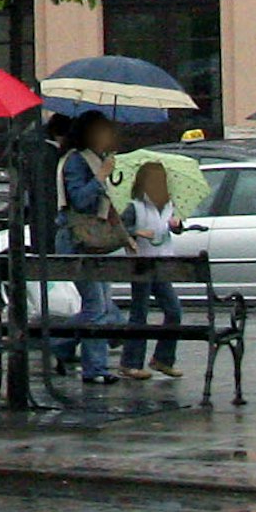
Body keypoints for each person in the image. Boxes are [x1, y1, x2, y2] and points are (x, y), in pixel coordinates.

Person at [54, 113, 128, 388]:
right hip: (77, 239)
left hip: (92, 240)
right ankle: (92, 366)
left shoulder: (95, 159)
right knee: (96, 305)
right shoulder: (77, 160)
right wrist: (101, 177)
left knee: (102, 304)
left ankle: (60, 346)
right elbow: (81, 200)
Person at [113, 157, 185, 381]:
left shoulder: (168, 205)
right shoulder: (135, 206)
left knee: (173, 311)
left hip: (162, 264)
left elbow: (173, 229)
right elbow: (121, 229)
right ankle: (130, 362)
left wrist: (177, 224)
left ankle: (163, 358)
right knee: (139, 312)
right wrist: (136, 232)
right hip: (142, 264)